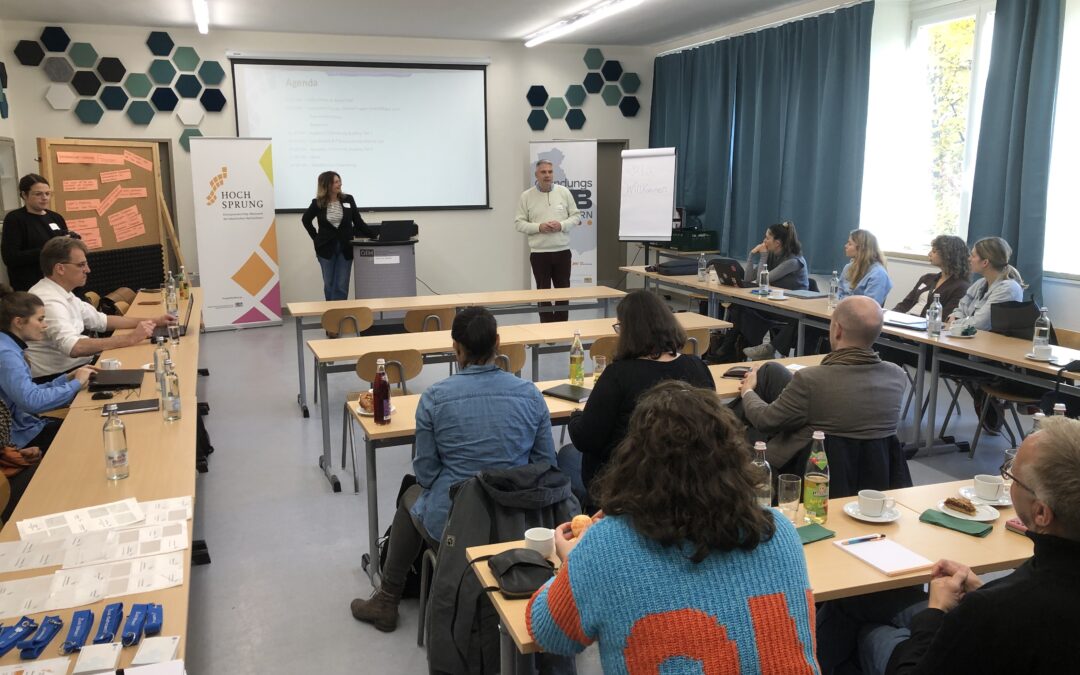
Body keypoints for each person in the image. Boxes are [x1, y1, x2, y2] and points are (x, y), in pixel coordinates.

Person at [528, 381, 819, 672]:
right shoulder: (778, 530)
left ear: (635, 461)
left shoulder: (607, 545)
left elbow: (547, 632)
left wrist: (572, 562)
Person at [350, 306, 557, 632]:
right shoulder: (530, 394)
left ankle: (387, 598)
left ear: (456, 348)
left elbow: (428, 474)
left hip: (457, 526)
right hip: (516, 522)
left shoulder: (435, 397)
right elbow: (546, 465)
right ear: (498, 343)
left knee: (411, 496)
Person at [822, 416, 1080, 675]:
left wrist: (935, 612)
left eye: (1012, 476)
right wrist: (985, 589)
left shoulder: (991, 610)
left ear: (1041, 514)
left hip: (939, 653)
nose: (1008, 482)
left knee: (860, 626)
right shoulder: (1033, 585)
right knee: (856, 599)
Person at [565, 290, 714, 508]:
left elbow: (587, 439)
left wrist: (576, 417)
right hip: (688, 482)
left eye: (620, 327)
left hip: (625, 487)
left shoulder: (618, 375)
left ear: (630, 332)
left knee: (566, 455)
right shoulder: (697, 367)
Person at [734, 296, 908, 469]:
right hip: (873, 470)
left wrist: (748, 390)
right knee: (772, 370)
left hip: (810, 467)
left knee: (742, 420)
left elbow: (765, 420)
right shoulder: (897, 376)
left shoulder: (811, 380)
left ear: (837, 330)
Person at [0, 285, 94, 520]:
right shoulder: (6, 354)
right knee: (84, 438)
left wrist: (67, 379)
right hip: (18, 437)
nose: (45, 325)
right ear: (19, 322)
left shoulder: (10, 346)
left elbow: (26, 394)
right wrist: (75, 386)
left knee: (84, 430)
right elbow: (31, 401)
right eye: (40, 319)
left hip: (26, 427)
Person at [26, 238, 171, 381]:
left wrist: (156, 320)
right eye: (81, 265)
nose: (87, 270)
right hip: (58, 379)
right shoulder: (48, 301)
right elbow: (75, 348)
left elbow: (103, 321)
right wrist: (130, 338)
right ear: (60, 268)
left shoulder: (63, 292)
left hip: (77, 368)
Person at [514, 159, 581, 322]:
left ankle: (561, 325)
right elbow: (519, 223)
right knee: (543, 292)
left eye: (550, 172)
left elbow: (576, 216)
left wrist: (561, 225)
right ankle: (546, 325)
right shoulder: (526, 196)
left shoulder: (564, 192)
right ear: (536, 174)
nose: (547, 175)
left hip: (562, 252)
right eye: (543, 172)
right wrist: (539, 227)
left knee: (563, 291)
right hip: (539, 253)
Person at [740, 221, 810, 361]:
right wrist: (750, 256)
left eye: (767, 238)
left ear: (777, 242)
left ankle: (767, 349)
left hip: (792, 308)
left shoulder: (794, 261)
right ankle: (734, 350)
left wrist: (763, 256)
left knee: (747, 310)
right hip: (775, 303)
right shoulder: (772, 255)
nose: (764, 241)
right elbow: (748, 279)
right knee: (739, 307)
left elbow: (761, 281)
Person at [300, 171, 374, 302]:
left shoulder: (348, 199)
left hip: (345, 248)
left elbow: (358, 222)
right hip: (325, 249)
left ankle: (340, 316)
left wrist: (375, 235)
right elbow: (306, 220)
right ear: (326, 184)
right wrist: (316, 239)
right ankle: (331, 316)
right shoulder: (318, 203)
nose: (339, 184)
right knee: (329, 284)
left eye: (339, 181)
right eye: (335, 181)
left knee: (341, 285)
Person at [1, 174, 77, 292]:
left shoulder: (56, 217)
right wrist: (48, 250)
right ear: (24, 195)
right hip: (31, 285)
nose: (44, 198)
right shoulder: (15, 219)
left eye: (47, 193)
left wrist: (70, 241)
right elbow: (11, 258)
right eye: (38, 194)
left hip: (58, 282)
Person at [946, 236, 1024, 332]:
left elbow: (980, 324)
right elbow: (959, 309)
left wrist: (954, 323)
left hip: (991, 344)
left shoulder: (1008, 288)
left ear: (985, 262)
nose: (969, 259)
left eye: (973, 256)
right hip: (968, 338)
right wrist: (956, 319)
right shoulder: (980, 283)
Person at [891, 235, 970, 319]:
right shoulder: (927, 278)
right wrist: (889, 316)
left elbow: (945, 317)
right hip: (906, 320)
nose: (929, 254)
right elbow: (906, 303)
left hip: (926, 327)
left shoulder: (961, 286)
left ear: (948, 255)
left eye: (934, 251)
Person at [839, 229, 892, 305]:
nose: (845, 246)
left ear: (861, 248)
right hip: (842, 310)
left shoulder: (878, 274)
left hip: (860, 315)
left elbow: (869, 306)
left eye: (850, 244)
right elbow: (838, 294)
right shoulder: (848, 268)